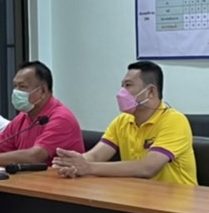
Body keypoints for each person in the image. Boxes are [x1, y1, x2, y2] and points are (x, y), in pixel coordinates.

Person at [53, 60, 195, 185]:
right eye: (122, 86)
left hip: (177, 201)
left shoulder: (175, 121)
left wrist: (88, 167)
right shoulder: (123, 120)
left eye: (128, 85)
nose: (121, 92)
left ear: (150, 92)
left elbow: (147, 168)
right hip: (138, 197)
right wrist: (74, 163)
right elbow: (96, 156)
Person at [0, 61, 82, 167]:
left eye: (22, 87)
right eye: (15, 86)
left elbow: (35, 156)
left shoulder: (61, 119)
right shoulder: (23, 117)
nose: (16, 92)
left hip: (60, 183)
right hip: (30, 181)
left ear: (42, 91)